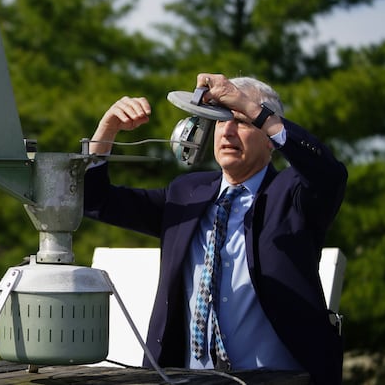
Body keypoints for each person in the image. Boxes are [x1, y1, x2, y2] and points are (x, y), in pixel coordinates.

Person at [83, 73, 347, 384]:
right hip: (187, 378)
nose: (228, 131)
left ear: (269, 139)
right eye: (221, 121)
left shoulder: (292, 194)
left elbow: (329, 174)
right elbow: (94, 199)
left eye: (243, 121)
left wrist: (250, 106)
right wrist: (108, 128)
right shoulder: (186, 192)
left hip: (279, 379)